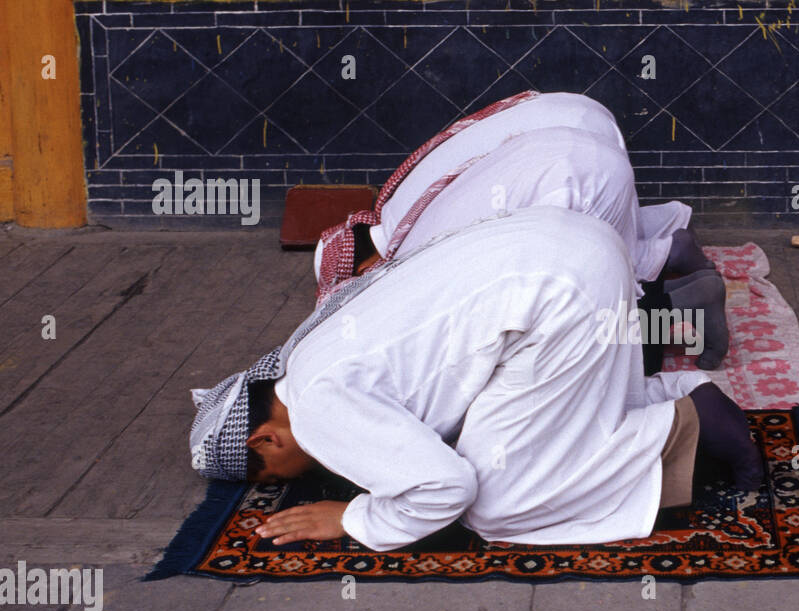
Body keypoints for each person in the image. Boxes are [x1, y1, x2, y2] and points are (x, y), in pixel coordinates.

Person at [189, 206, 761, 550]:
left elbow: (445, 487)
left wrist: (355, 518)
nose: (289, 481)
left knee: (496, 503)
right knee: (551, 417)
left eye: (269, 477)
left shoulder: (314, 411)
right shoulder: (308, 352)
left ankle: (683, 425)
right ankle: (675, 395)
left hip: (558, 295)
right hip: (580, 244)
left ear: (263, 438)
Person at [314, 91, 727, 368]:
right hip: (572, 139)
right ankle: (678, 270)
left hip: (571, 176)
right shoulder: (399, 210)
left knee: (601, 323)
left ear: (364, 266)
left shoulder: (412, 258)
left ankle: (680, 307)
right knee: (602, 271)